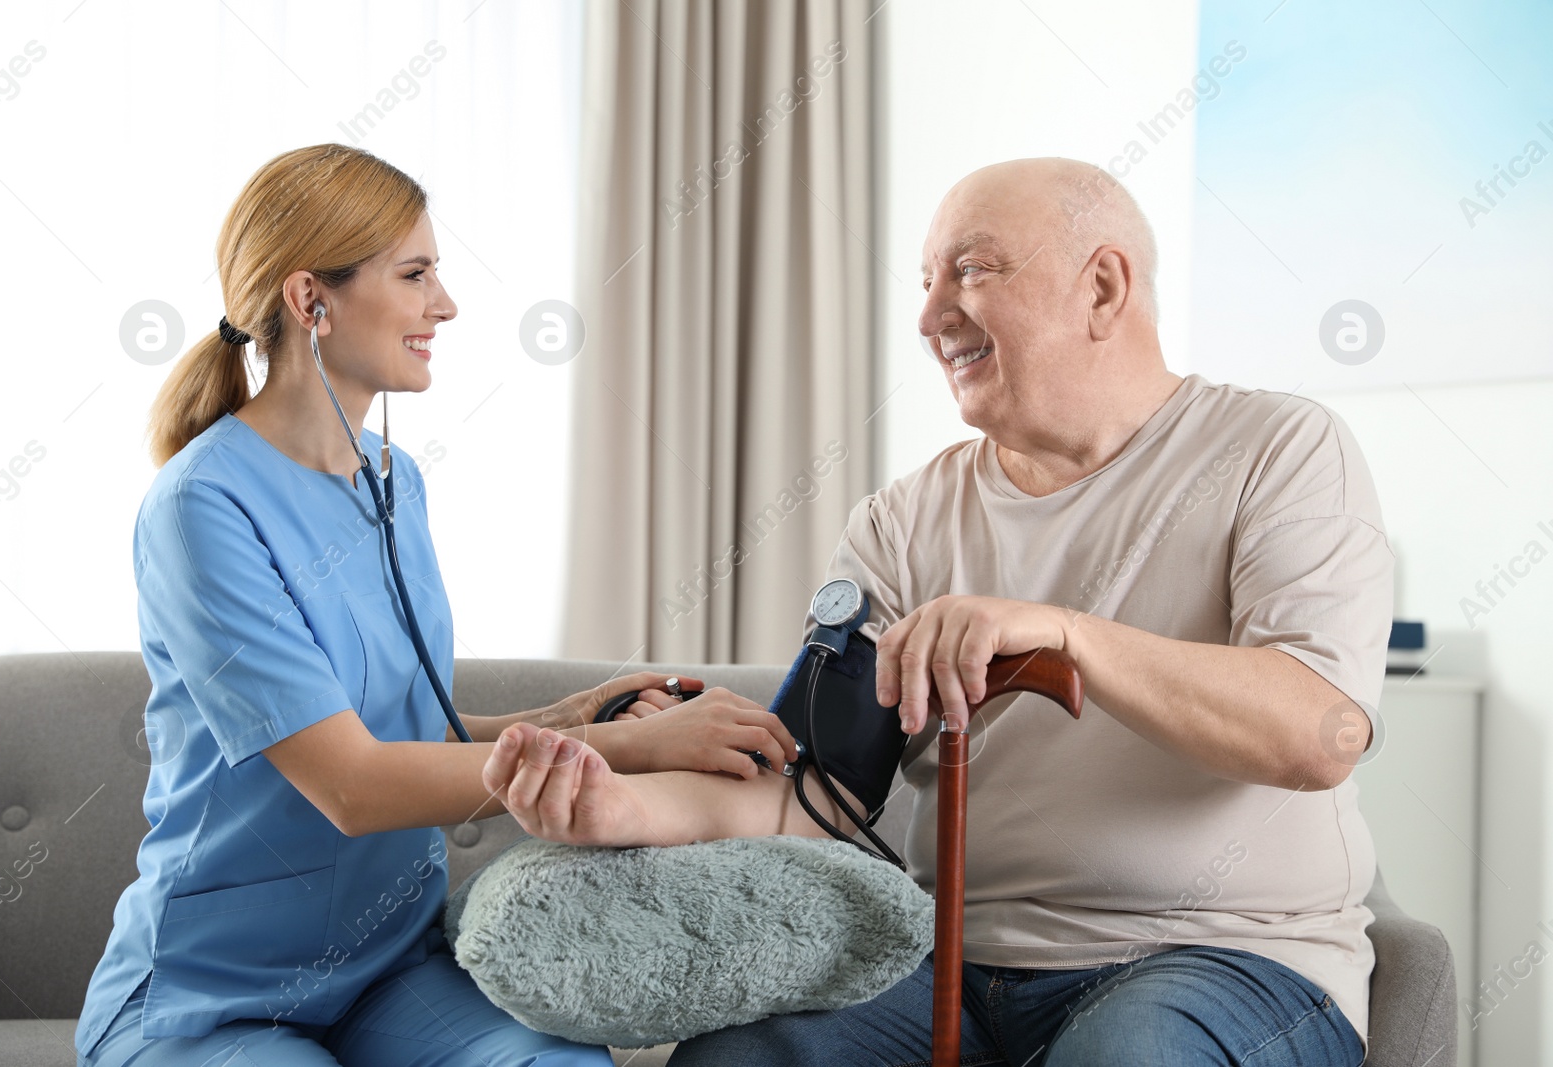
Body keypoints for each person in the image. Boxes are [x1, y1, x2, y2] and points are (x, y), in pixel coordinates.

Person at [480, 158, 1394, 1067]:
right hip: (947, 962)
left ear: (1104, 288)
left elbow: (1316, 733)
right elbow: (814, 792)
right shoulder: (901, 521)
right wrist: (623, 808)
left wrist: (1064, 631)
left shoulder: (1280, 448)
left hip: (1227, 957)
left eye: (973, 269)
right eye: (925, 282)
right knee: (741, 1059)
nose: (928, 317)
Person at [74, 143, 800, 1067]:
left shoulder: (394, 483)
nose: (444, 305)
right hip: (216, 996)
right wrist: (622, 747)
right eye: (415, 275)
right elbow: (352, 782)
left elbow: (397, 721)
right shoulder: (200, 507)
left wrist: (565, 715)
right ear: (311, 301)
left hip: (389, 974)